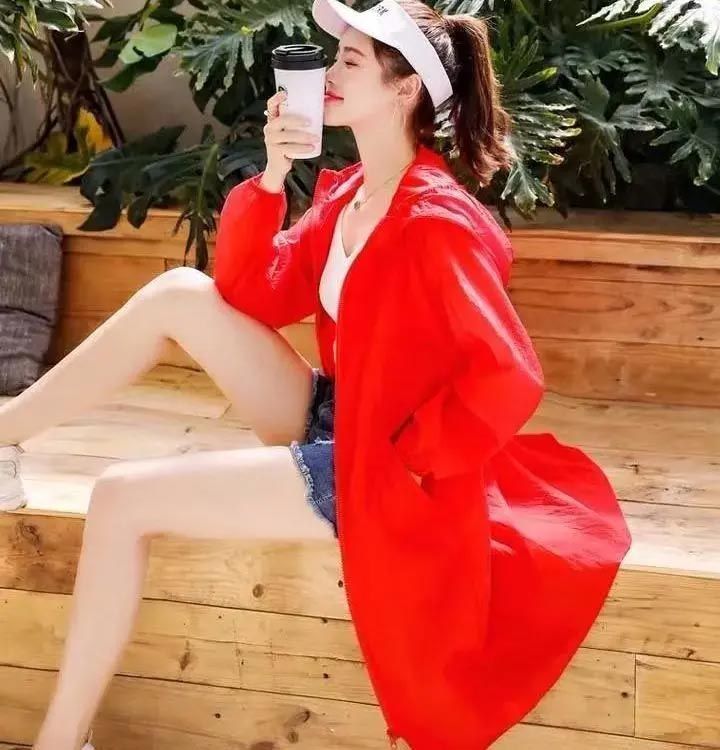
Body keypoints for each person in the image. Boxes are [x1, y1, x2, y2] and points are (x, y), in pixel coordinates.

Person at [0, 0, 631, 748]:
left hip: (379, 463)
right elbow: (253, 292)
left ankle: (59, 743)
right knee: (179, 293)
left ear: (404, 88)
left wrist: (407, 462)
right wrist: (273, 175)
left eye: (350, 62)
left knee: (117, 498)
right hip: (343, 415)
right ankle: (3, 435)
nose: (328, 73)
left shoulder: (437, 222)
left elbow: (510, 375)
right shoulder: (352, 194)